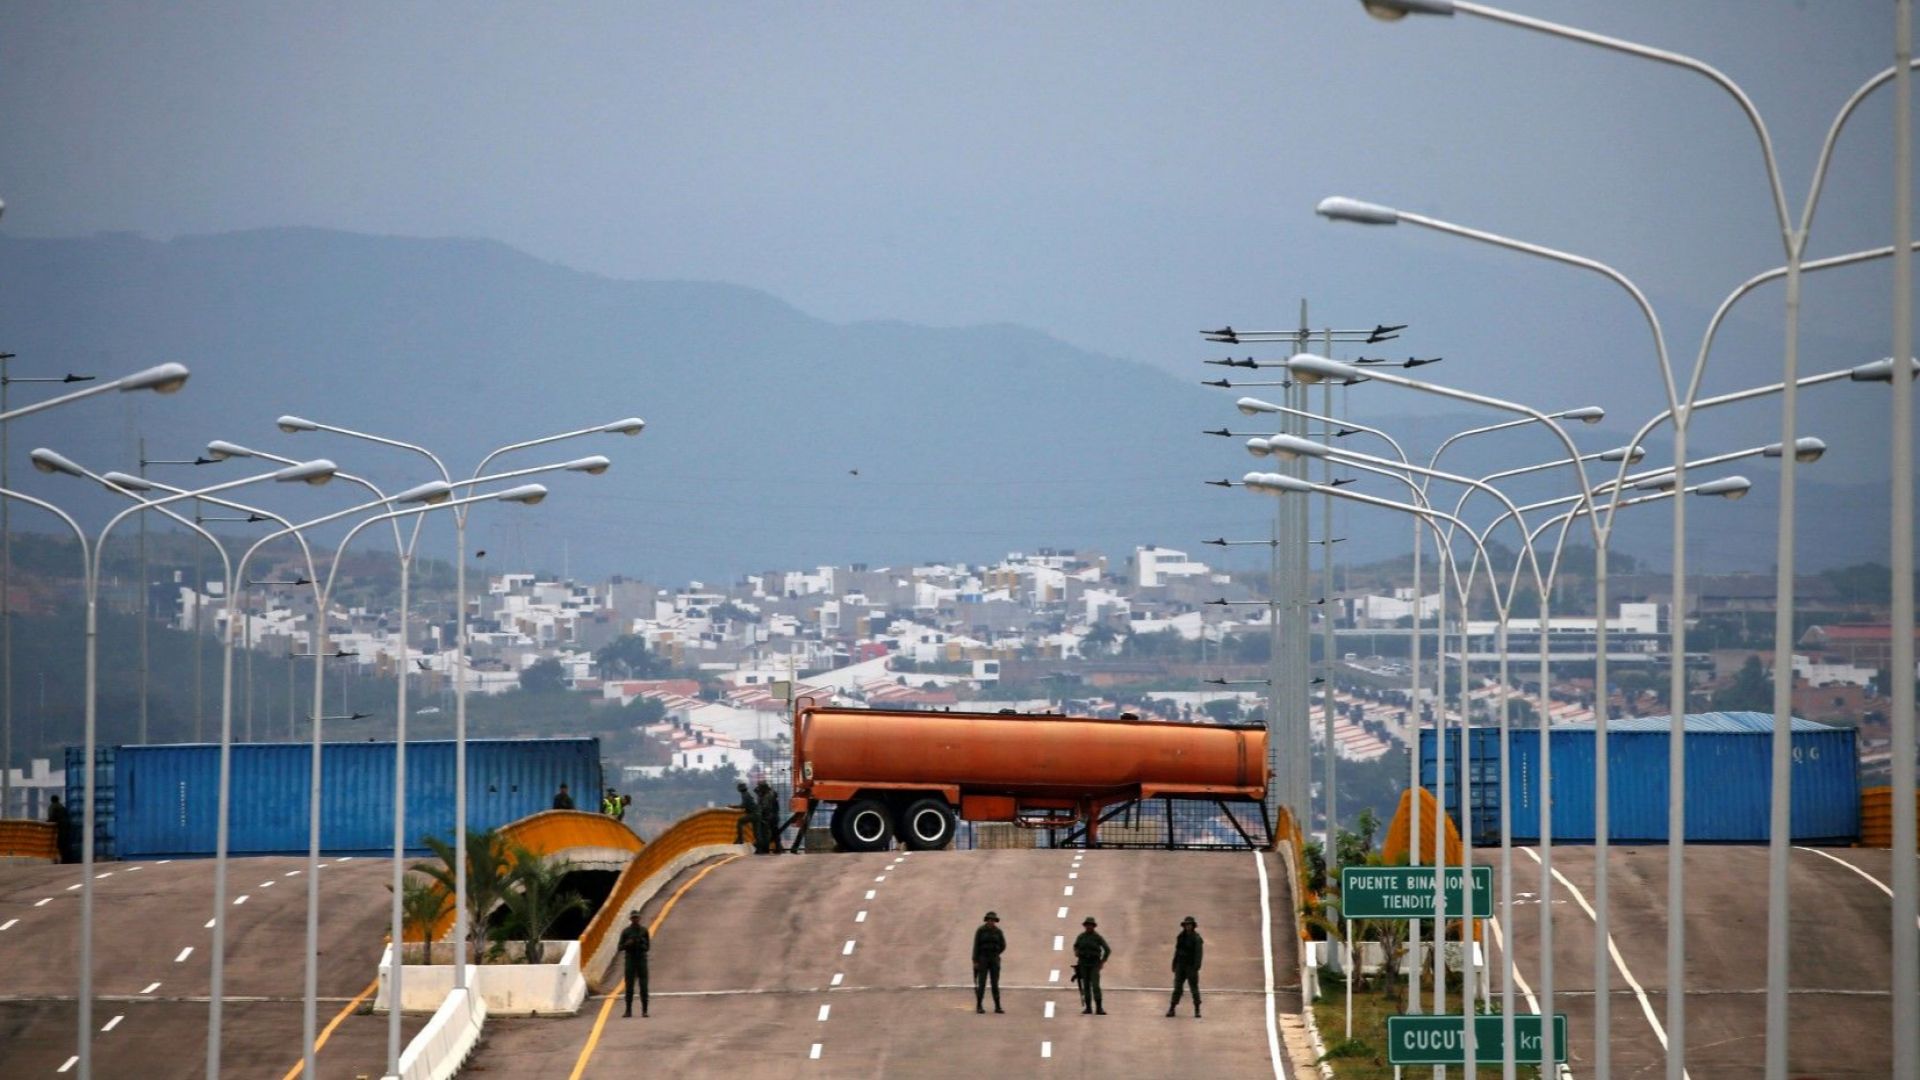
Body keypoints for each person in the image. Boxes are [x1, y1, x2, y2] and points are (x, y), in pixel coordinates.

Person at [1167, 915, 1203, 1018]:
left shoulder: (1196, 938)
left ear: (1193, 926)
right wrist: (1174, 963)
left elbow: (1198, 954)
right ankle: (1172, 1008)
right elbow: (1177, 951)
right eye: (1186, 925)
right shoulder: (1180, 937)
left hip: (1191, 966)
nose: (1188, 926)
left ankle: (1197, 1009)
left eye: (1190, 925)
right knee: (1177, 988)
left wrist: (1196, 967)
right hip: (1181, 965)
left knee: (1194, 989)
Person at [1073, 916, 1111, 1015]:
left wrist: (1102, 961)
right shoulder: (1081, 937)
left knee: (1095, 985)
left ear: (1094, 926)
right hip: (1083, 964)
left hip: (1094, 964)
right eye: (1087, 925)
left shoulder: (1097, 937)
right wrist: (1076, 952)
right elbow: (1076, 946)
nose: (1089, 927)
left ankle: (1099, 1008)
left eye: (1091, 925)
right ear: (1085, 926)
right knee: (1086, 986)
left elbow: (1107, 949)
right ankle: (1088, 1008)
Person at [618, 910, 651, 1017]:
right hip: (630, 960)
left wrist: (641, 943)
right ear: (630, 919)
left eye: (637, 917)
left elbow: (647, 947)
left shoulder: (644, 931)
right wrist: (628, 943)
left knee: (644, 986)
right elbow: (619, 948)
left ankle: (645, 1010)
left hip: (641, 959)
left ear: (639, 918)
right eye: (633, 918)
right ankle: (628, 1010)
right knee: (629, 986)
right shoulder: (626, 932)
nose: (635, 919)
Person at [972, 910, 1006, 1014]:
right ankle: (979, 1006)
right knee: (981, 983)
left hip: (994, 959)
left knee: (995, 983)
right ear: (987, 920)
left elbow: (1003, 945)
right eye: (989, 920)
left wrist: (996, 953)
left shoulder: (998, 932)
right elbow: (976, 946)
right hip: (983, 959)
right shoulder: (980, 931)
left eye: (993, 920)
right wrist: (975, 960)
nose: (991, 922)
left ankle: (997, 1006)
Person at [754, 780, 782, 854]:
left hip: (768, 816)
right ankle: (778, 848)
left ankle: (765, 849)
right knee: (775, 832)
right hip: (774, 816)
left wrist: (760, 813)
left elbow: (765, 807)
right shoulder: (772, 793)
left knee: (765, 833)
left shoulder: (767, 795)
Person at [46, 795, 74, 864]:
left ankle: (64, 860)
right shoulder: (62, 807)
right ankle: (67, 860)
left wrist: (46, 823)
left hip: (61, 827)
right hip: (67, 826)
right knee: (66, 844)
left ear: (51, 800)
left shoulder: (53, 806)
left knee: (60, 844)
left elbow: (52, 817)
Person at [732, 780, 758, 846]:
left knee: (740, 821)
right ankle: (758, 844)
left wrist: (734, 806)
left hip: (753, 814)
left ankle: (740, 839)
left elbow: (743, 805)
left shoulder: (745, 795)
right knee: (756, 831)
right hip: (756, 814)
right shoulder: (747, 794)